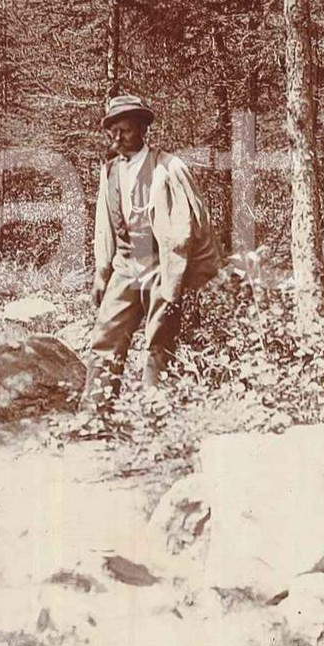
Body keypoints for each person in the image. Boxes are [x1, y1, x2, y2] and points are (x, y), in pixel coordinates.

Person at [80, 93, 221, 411]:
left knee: (159, 342)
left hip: (161, 266)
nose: (117, 137)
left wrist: (196, 274)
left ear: (143, 130)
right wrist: (102, 273)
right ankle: (94, 415)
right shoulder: (110, 171)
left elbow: (197, 223)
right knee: (106, 338)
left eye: (125, 130)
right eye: (112, 131)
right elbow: (104, 224)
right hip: (126, 266)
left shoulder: (169, 168)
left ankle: (153, 414)